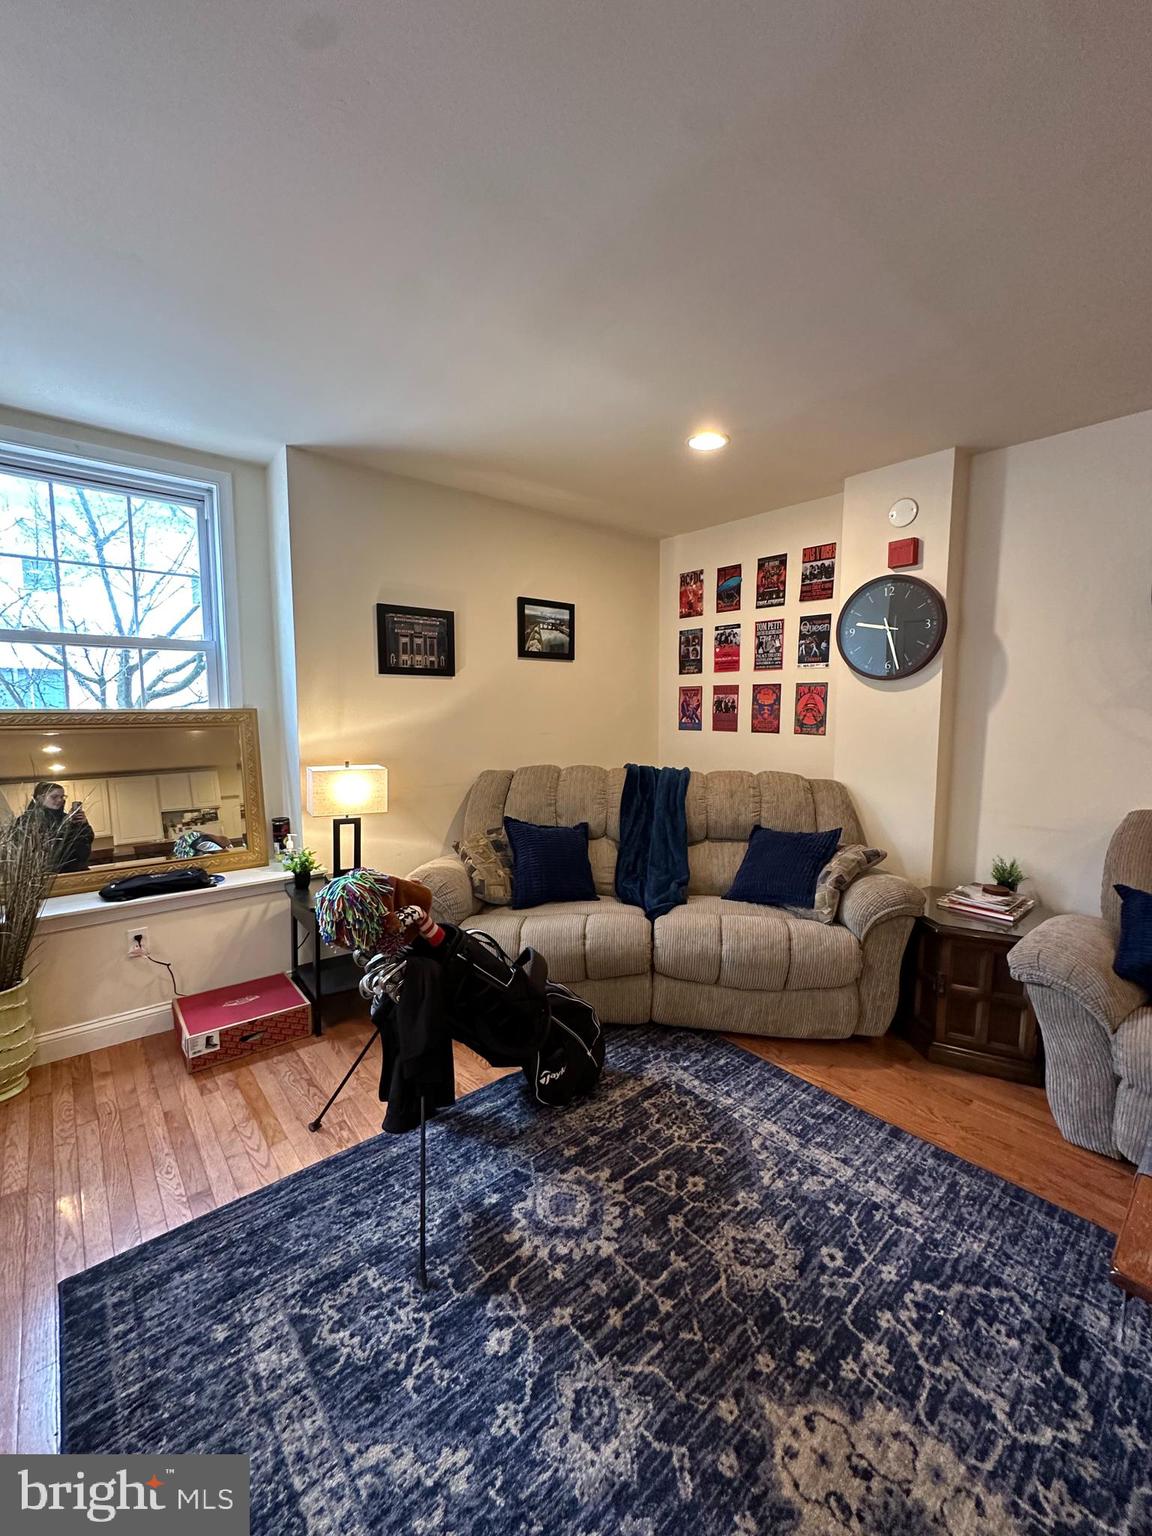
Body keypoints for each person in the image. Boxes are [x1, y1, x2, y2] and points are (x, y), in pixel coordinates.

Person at [17, 782, 95, 873]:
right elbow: (44, 846)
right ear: (40, 798)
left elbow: (86, 841)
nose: (59, 800)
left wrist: (84, 825)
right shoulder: (27, 820)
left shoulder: (67, 818)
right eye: (54, 797)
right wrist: (65, 824)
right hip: (46, 874)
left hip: (78, 870)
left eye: (62, 797)